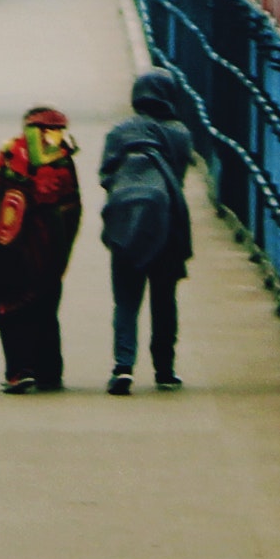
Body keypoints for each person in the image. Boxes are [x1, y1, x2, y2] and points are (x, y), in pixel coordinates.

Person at [0, 104, 84, 392]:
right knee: (44, 309)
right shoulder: (62, 161)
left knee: (13, 309)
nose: (56, 135)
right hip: (44, 252)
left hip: (9, 250)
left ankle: (20, 371)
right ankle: (48, 373)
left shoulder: (9, 156)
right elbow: (71, 210)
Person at [99, 67, 201, 393]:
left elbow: (106, 177)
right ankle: (164, 369)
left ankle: (123, 367)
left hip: (126, 226)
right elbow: (178, 177)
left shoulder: (119, 132)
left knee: (126, 301)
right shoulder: (180, 134)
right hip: (166, 226)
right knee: (164, 299)